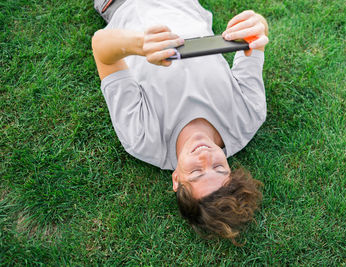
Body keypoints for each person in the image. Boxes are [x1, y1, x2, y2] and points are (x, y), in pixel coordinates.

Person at [92, 0, 269, 243]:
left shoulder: (143, 138)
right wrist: (256, 25)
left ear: (176, 179)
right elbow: (256, 38)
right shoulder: (248, 115)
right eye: (219, 168)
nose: (205, 156)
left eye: (196, 172)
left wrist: (139, 44)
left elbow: (101, 45)